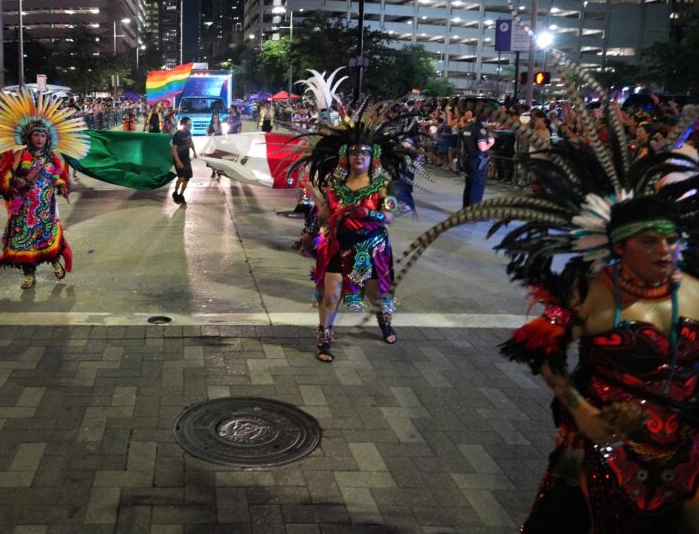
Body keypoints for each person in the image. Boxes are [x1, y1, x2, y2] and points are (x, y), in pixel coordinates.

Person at [393, 74, 699, 533]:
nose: (665, 251)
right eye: (650, 241)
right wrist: (581, 410)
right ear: (620, 247)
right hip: (603, 452)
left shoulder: (694, 290)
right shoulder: (590, 292)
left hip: (686, 452)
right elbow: (539, 349)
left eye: (672, 240)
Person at [292, 103, 416, 361]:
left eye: (365, 153)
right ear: (346, 156)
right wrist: (309, 234)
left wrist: (368, 214)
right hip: (337, 246)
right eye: (354, 152)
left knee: (376, 294)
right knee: (331, 295)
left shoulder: (384, 186)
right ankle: (324, 339)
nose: (359, 156)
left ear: (373, 157)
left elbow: (389, 217)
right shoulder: (334, 185)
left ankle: (384, 322)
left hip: (371, 248)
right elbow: (325, 215)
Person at [0, 89, 90, 290]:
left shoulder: (51, 157)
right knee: (25, 242)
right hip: (24, 208)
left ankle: (55, 262)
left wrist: (61, 185)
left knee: (48, 237)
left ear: (48, 139)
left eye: (42, 135)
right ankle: (29, 275)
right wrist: (13, 185)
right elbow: (5, 175)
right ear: (29, 137)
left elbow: (58, 176)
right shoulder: (19, 155)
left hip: (46, 208)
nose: (39, 138)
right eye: (36, 135)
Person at [460, 111, 494, 207]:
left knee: (469, 185)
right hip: (478, 161)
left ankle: (466, 209)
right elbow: (482, 147)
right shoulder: (481, 130)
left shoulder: (468, 128)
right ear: (486, 121)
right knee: (477, 186)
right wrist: (491, 143)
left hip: (468, 158)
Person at [171, 117, 196, 205]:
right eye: (189, 125)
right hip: (179, 158)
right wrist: (178, 161)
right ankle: (175, 192)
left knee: (187, 178)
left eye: (191, 125)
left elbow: (191, 142)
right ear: (183, 125)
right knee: (181, 178)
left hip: (186, 159)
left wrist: (194, 152)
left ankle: (181, 195)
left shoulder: (188, 132)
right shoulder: (177, 135)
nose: (190, 126)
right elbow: (174, 150)